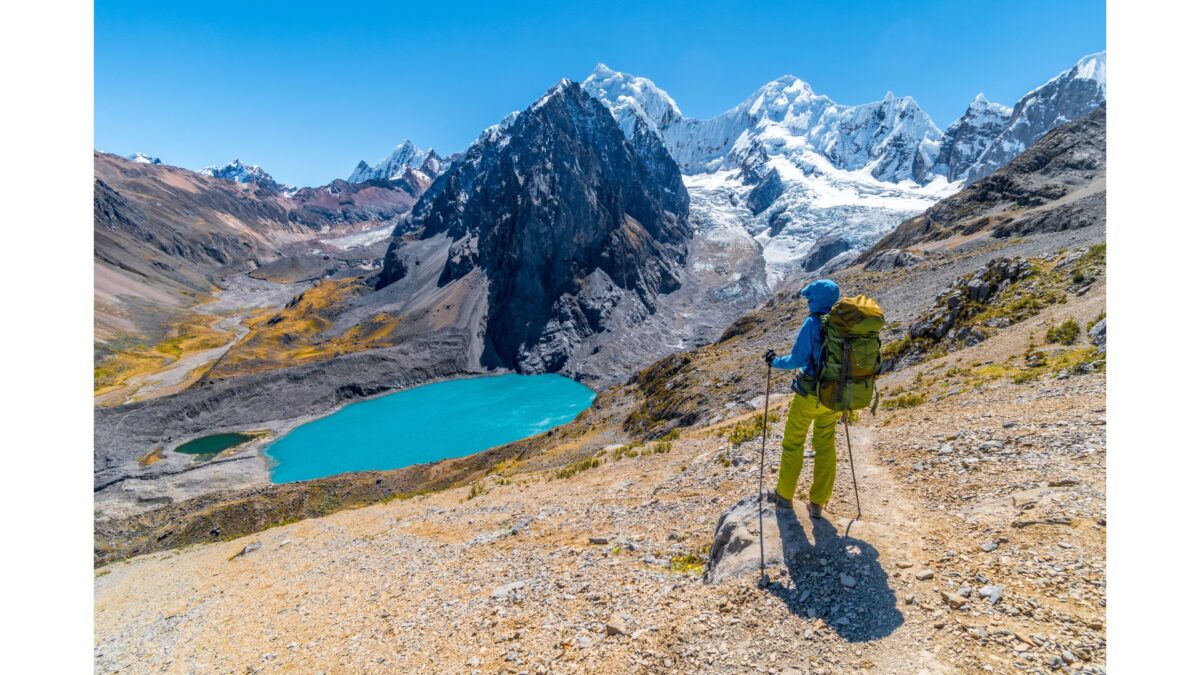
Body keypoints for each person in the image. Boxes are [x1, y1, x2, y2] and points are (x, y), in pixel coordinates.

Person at [762, 279, 842, 520]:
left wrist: (773, 360)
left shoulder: (813, 323)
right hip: (835, 395)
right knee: (825, 445)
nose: (807, 302)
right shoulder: (845, 323)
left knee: (793, 443)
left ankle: (784, 496)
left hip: (809, 395)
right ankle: (817, 504)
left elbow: (796, 360)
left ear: (816, 300)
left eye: (810, 298)